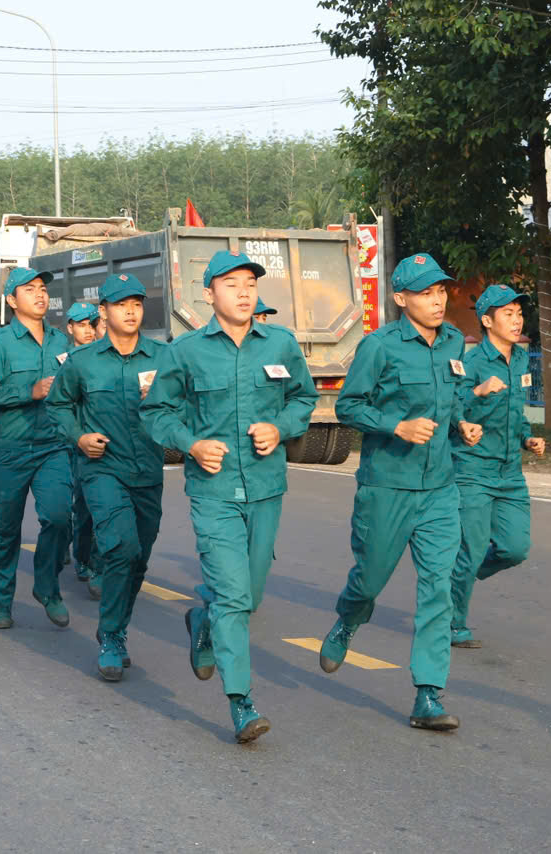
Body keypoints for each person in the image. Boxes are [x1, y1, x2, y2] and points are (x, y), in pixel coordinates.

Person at [141, 250, 317, 743]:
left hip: (266, 487)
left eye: (250, 284)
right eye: (231, 283)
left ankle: (203, 620)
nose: (243, 292)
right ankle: (242, 702)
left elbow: (303, 398)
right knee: (235, 597)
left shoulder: (280, 344)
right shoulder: (185, 351)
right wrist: (192, 444)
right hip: (213, 490)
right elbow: (156, 413)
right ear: (209, 293)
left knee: (249, 596)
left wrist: (279, 427)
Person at [317, 253, 484, 732]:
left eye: (440, 291)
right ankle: (349, 619)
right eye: (425, 293)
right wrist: (397, 426)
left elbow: (452, 398)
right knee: (370, 581)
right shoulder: (379, 346)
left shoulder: (454, 340)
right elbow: (349, 407)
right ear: (400, 298)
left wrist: (462, 423)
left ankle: (428, 693)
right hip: (387, 485)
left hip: (440, 489)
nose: (437, 300)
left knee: (437, 590)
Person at [48, 274, 166, 681]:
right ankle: (113, 637)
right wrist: (79, 437)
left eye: (137, 304)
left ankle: (114, 625)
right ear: (104, 311)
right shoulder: (83, 361)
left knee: (139, 558)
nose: (131, 312)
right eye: (121, 305)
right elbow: (58, 406)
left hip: (148, 470)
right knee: (120, 547)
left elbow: (186, 404)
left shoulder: (163, 357)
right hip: (102, 469)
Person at [0, 267, 72, 630]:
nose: (40, 294)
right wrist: (29, 391)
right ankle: (1, 600)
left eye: (43, 288)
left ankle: (46, 585)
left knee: (59, 517)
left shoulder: (61, 341)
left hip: (53, 446)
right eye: (30, 289)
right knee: (5, 528)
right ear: (12, 300)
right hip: (9, 448)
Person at [449, 284, 545, 649]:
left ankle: (457, 578)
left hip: (510, 472)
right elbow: (450, 405)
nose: (517, 321)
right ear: (488, 321)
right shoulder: (471, 363)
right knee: (471, 549)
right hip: (473, 469)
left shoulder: (520, 359)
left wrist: (527, 438)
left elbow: (515, 409)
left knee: (515, 548)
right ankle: (454, 624)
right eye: (508, 314)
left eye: (519, 314)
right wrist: (476, 392)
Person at [63, 301, 100, 594]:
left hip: (96, 440)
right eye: (81, 325)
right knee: (74, 504)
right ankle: (77, 551)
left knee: (94, 504)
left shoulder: (102, 357)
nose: (88, 330)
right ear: (70, 328)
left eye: (92, 324)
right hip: (67, 440)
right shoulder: (63, 360)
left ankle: (90, 558)